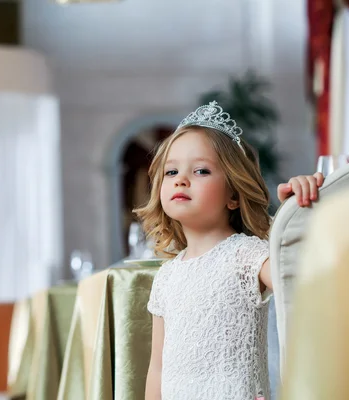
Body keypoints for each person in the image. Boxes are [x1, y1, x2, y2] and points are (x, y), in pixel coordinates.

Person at [134, 101, 323, 400]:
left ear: (233, 195)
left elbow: (304, 281)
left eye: (201, 170)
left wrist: (301, 211)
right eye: (171, 172)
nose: (181, 179)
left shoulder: (247, 255)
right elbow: (157, 367)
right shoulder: (167, 276)